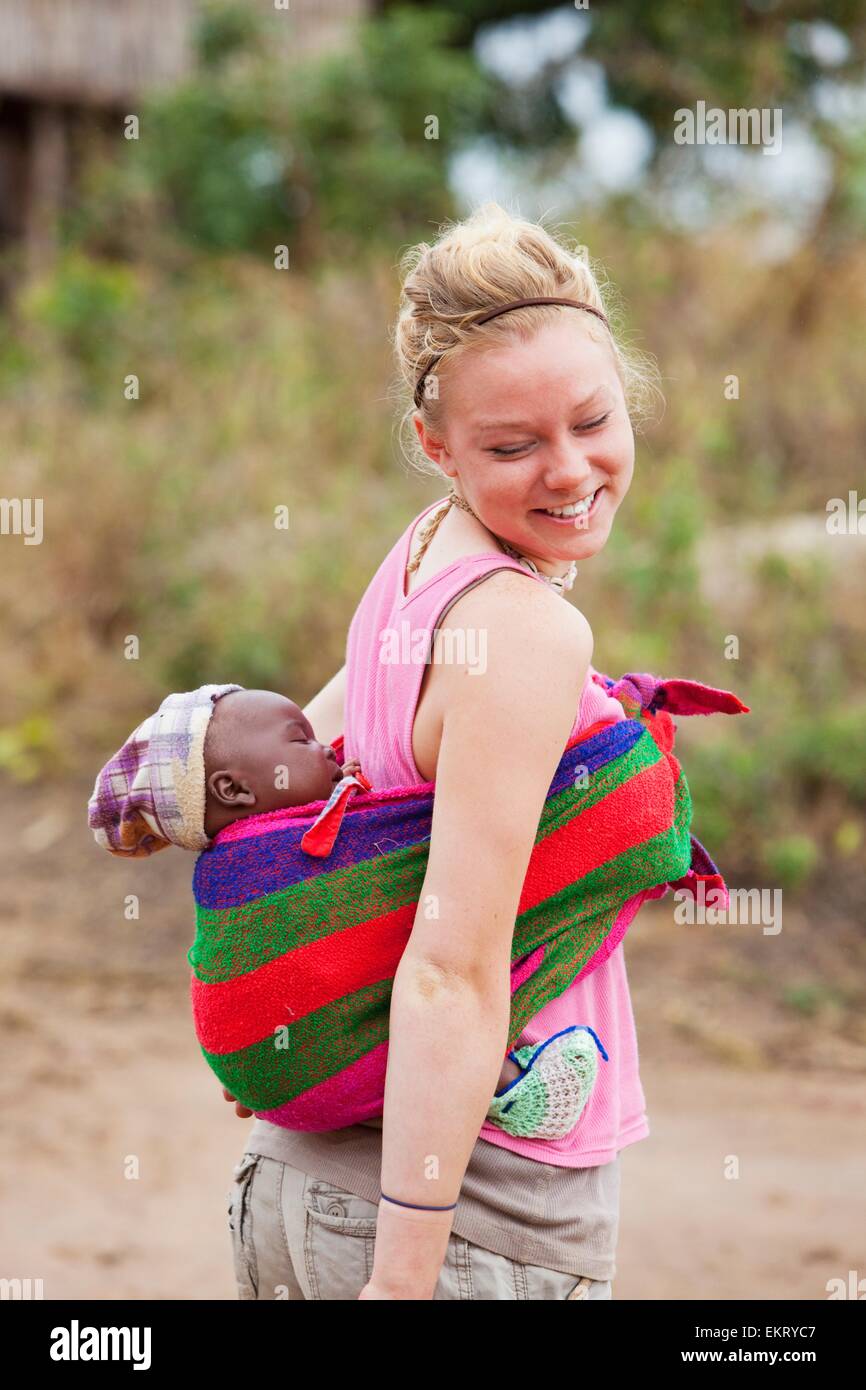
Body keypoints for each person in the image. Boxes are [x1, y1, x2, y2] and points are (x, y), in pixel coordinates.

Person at [224, 201, 661, 1300]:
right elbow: (451, 973)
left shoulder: (420, 559)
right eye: (511, 446)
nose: (568, 471)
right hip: (469, 1221)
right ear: (434, 444)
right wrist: (402, 1277)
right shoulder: (523, 630)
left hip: (295, 1188)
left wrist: (285, 1025)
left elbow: (295, 770)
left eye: (592, 420)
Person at [87, 683, 603, 1133]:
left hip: (274, 1092)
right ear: (235, 789)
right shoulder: (259, 864)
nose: (327, 749)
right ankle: (507, 1085)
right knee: (437, 1009)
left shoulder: (278, 835)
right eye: (302, 739)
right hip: (303, 1074)